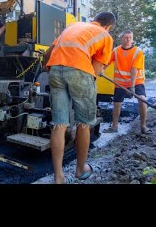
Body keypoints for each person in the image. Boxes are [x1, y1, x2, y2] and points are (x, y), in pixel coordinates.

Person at [42, 11, 116, 184]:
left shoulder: (74, 26)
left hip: (55, 69)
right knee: (83, 124)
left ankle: (58, 176)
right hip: (80, 72)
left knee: (59, 124)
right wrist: (95, 71)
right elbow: (95, 71)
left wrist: (54, 73)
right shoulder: (105, 35)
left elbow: (47, 55)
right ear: (108, 26)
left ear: (95, 20)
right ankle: (81, 169)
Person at [103, 29, 150, 134]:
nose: (128, 40)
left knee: (142, 100)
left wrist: (132, 87)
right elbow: (107, 62)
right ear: (122, 38)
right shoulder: (116, 51)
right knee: (116, 103)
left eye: (130, 38)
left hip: (137, 81)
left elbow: (134, 69)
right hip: (120, 83)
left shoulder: (138, 51)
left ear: (132, 39)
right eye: (125, 37)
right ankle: (114, 127)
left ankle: (143, 127)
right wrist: (101, 70)